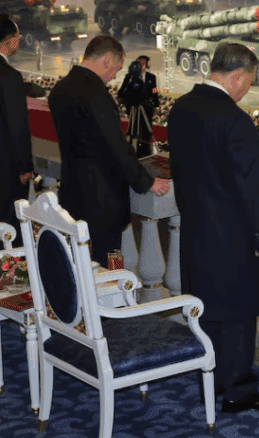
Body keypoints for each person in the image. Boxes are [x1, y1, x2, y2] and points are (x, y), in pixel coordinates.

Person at [167, 43, 259, 414]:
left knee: (206, 310)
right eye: (250, 81)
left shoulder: (181, 108)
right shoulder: (235, 120)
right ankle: (239, 391)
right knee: (238, 316)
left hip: (196, 228)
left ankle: (210, 381)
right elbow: (251, 192)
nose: (247, 88)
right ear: (239, 77)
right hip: (233, 236)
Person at [48, 36, 171, 266]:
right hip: (102, 200)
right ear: (106, 60)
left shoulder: (60, 89)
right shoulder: (95, 94)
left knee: (79, 265)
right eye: (116, 67)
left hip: (72, 192)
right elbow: (116, 145)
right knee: (109, 265)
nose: (115, 75)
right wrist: (147, 182)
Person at [0, 13, 33, 249]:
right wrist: (24, 167)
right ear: (11, 40)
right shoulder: (9, 76)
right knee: (5, 233)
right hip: (0, 171)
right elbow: (17, 126)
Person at [117, 55, 158, 157]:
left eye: (143, 63)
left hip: (146, 108)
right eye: (139, 63)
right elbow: (121, 92)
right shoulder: (129, 76)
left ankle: (146, 153)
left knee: (146, 131)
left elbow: (155, 91)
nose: (141, 65)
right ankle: (131, 153)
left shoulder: (151, 77)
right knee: (133, 130)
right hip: (133, 108)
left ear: (147, 65)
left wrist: (156, 105)